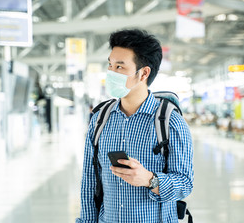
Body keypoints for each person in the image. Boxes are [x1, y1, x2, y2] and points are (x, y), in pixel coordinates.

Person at [76, 29, 194, 223]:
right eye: (110, 65)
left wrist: (150, 180)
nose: (111, 73)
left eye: (120, 67)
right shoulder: (100, 119)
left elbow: (184, 185)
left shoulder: (170, 122)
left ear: (144, 73)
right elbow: (89, 184)